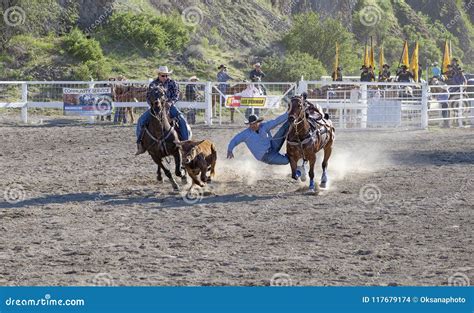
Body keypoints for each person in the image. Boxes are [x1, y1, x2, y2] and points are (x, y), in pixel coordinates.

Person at [135, 66, 190, 155]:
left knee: (182, 120)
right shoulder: (153, 84)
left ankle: (186, 144)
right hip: (155, 108)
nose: (165, 77)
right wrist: (153, 105)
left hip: (169, 106)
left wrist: (170, 102)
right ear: (159, 75)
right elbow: (148, 97)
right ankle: (140, 144)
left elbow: (176, 95)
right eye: (163, 75)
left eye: (166, 75)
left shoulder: (173, 83)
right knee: (141, 120)